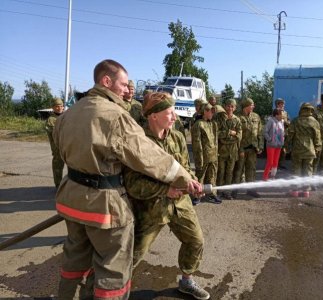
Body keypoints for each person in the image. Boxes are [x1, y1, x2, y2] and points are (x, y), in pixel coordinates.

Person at [53, 59, 202, 300]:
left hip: (72, 200)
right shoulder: (116, 117)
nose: (127, 90)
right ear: (106, 81)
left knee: (74, 260)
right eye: (123, 84)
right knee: (114, 271)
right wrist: (184, 180)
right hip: (103, 206)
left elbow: (62, 154)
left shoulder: (69, 114)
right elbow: (151, 158)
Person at [123, 92, 210, 300]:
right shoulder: (139, 142)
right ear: (153, 115)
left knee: (196, 241)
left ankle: (186, 281)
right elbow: (132, 184)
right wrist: (165, 190)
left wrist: (193, 181)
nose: (174, 117)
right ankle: (116, 291)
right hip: (152, 208)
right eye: (170, 112)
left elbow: (186, 168)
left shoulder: (178, 137)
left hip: (180, 204)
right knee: (132, 255)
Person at [285, 103, 321, 197]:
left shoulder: (296, 120)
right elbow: (317, 136)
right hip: (310, 149)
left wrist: (287, 147)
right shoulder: (314, 121)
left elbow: (290, 135)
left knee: (296, 169)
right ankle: (306, 191)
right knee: (308, 170)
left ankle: (295, 191)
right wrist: (317, 147)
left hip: (297, 149)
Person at [232, 98, 263, 199]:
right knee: (239, 170)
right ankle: (234, 190)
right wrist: (239, 149)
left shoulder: (256, 116)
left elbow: (260, 133)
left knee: (251, 170)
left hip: (253, 148)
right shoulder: (238, 117)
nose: (253, 106)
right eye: (251, 105)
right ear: (246, 106)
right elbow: (236, 135)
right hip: (242, 149)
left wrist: (260, 146)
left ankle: (251, 190)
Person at [191, 102, 221, 205]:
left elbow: (216, 141)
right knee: (200, 176)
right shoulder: (198, 124)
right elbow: (196, 144)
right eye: (209, 111)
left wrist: (216, 154)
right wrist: (199, 158)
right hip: (203, 156)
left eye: (212, 111)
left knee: (212, 175)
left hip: (213, 156)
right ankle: (197, 195)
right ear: (204, 111)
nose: (212, 113)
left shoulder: (213, 124)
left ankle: (212, 193)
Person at [215, 98, 242, 200]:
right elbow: (216, 133)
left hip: (233, 150)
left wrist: (231, 135)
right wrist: (229, 133)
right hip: (222, 149)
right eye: (228, 106)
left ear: (235, 108)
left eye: (232, 106)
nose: (230, 108)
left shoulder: (237, 120)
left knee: (229, 172)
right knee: (221, 171)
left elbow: (239, 135)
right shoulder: (219, 118)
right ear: (225, 106)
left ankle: (227, 192)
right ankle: (219, 191)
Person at [44, 97, 64, 188]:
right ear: (53, 107)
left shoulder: (65, 116)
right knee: (58, 167)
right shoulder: (51, 119)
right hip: (57, 147)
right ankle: (58, 185)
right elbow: (55, 133)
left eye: (61, 106)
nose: (59, 108)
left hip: (67, 146)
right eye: (57, 106)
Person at [262, 109, 285, 181]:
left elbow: (282, 133)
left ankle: (272, 176)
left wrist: (282, 140)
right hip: (271, 145)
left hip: (279, 145)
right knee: (270, 162)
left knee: (275, 162)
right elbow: (265, 132)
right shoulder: (270, 121)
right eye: (281, 114)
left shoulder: (281, 122)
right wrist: (270, 139)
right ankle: (265, 177)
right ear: (277, 115)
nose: (283, 116)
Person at [275, 98, 290, 169]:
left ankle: (280, 163)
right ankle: (275, 164)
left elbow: (289, 121)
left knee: (284, 150)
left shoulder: (286, 113)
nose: (283, 105)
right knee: (276, 150)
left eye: (283, 104)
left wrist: (285, 122)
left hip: (284, 134)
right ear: (277, 104)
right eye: (281, 104)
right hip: (276, 134)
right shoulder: (274, 112)